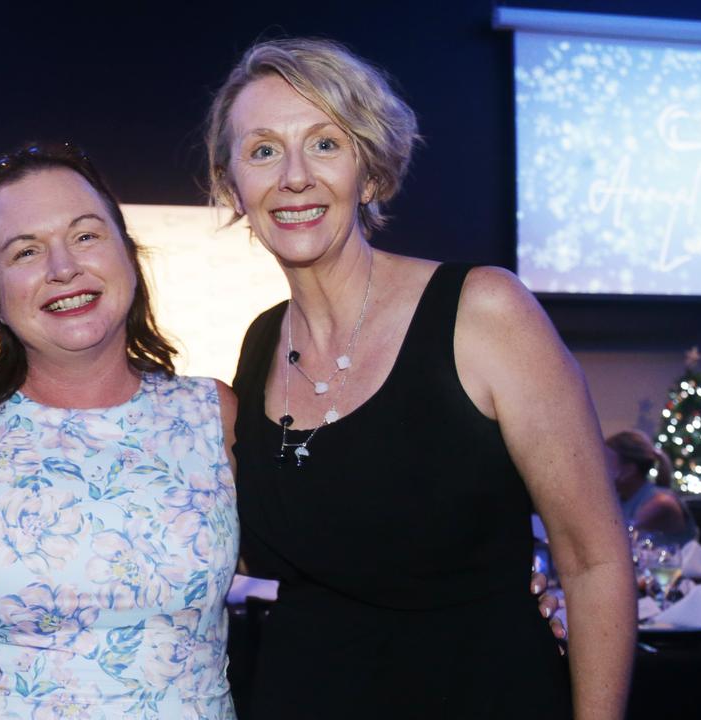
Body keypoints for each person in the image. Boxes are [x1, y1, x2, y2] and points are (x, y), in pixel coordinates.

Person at [205, 39, 634, 718]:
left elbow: (594, 563)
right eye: (262, 151)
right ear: (232, 186)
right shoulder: (261, 342)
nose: (293, 177)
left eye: (324, 144)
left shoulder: (484, 312)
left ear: (370, 175)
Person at [0, 143, 240, 717]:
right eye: (25, 251)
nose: (63, 269)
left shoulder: (212, 413)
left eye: (86, 236)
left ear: (129, 256)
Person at [606, 430, 698, 545]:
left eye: (607, 462)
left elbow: (617, 539)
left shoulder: (661, 503)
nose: (601, 467)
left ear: (629, 470)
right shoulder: (621, 497)